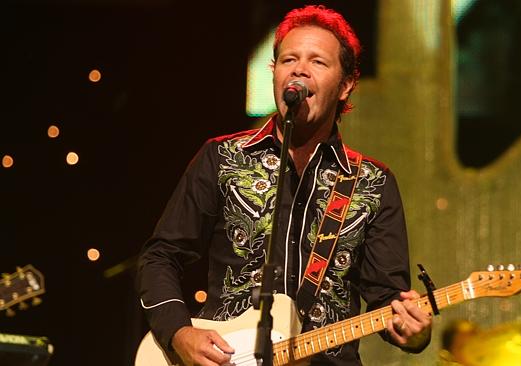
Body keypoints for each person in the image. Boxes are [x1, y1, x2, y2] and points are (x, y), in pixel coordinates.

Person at [136, 5, 432, 365]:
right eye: (289, 59)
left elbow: (388, 298)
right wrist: (178, 333)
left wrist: (415, 331)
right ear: (274, 72)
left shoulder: (372, 183)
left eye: (318, 62)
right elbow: (160, 257)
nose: (299, 69)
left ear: (346, 85)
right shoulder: (223, 157)